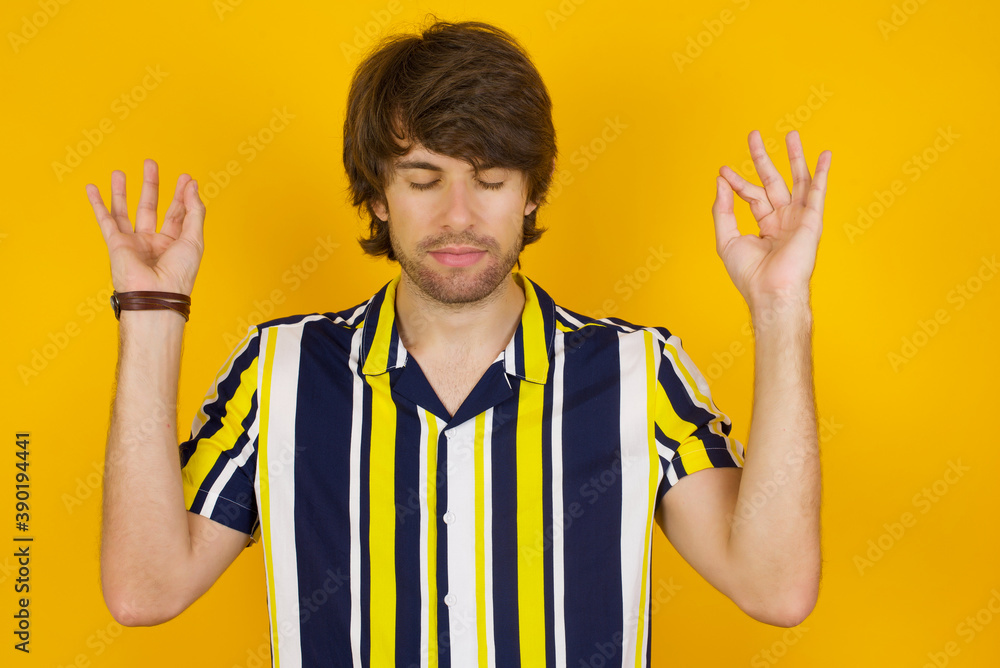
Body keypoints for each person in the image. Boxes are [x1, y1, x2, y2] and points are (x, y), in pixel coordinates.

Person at [87, 18, 829, 668]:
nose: (459, 216)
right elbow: (145, 590)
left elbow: (775, 587)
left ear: (532, 190)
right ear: (377, 194)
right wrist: (153, 311)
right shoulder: (279, 372)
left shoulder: (638, 373)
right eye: (422, 179)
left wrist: (779, 306)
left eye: (491, 178)